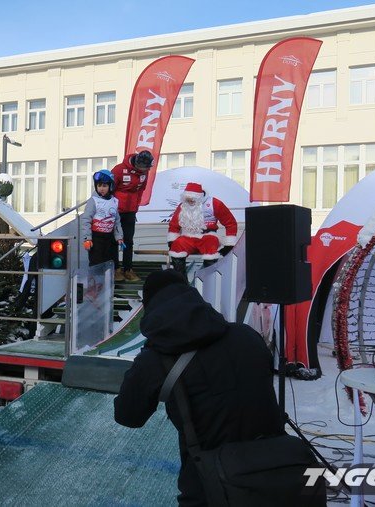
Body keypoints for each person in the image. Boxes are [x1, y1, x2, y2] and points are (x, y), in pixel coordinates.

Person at [114, 270, 283, 505]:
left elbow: (127, 415)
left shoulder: (156, 359)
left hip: (210, 487)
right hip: (276, 474)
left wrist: (143, 362)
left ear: (150, 308)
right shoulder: (247, 336)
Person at [167, 182, 238, 274]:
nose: (190, 201)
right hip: (188, 236)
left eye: (192, 199)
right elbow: (174, 224)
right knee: (177, 245)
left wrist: (229, 244)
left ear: (198, 197)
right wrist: (172, 241)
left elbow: (230, 222)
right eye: (187, 199)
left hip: (208, 235)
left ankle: (208, 277)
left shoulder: (214, 203)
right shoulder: (183, 206)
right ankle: (181, 279)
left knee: (211, 246)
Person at [111, 149, 153, 282]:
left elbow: (141, 190)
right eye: (144, 168)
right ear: (137, 163)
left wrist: (136, 207)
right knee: (115, 240)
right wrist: (111, 209)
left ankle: (128, 269)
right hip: (116, 212)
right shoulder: (118, 170)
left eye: (147, 168)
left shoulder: (144, 172)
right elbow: (110, 190)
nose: (146, 170)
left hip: (130, 211)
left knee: (128, 240)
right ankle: (115, 269)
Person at [81, 170, 124, 272]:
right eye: (99, 185)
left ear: (110, 186)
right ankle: (95, 281)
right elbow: (86, 220)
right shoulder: (93, 201)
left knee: (110, 262)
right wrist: (87, 238)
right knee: (96, 262)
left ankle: (110, 279)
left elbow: (116, 222)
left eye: (104, 186)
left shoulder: (114, 201)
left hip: (110, 238)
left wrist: (119, 237)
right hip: (96, 238)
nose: (101, 188)